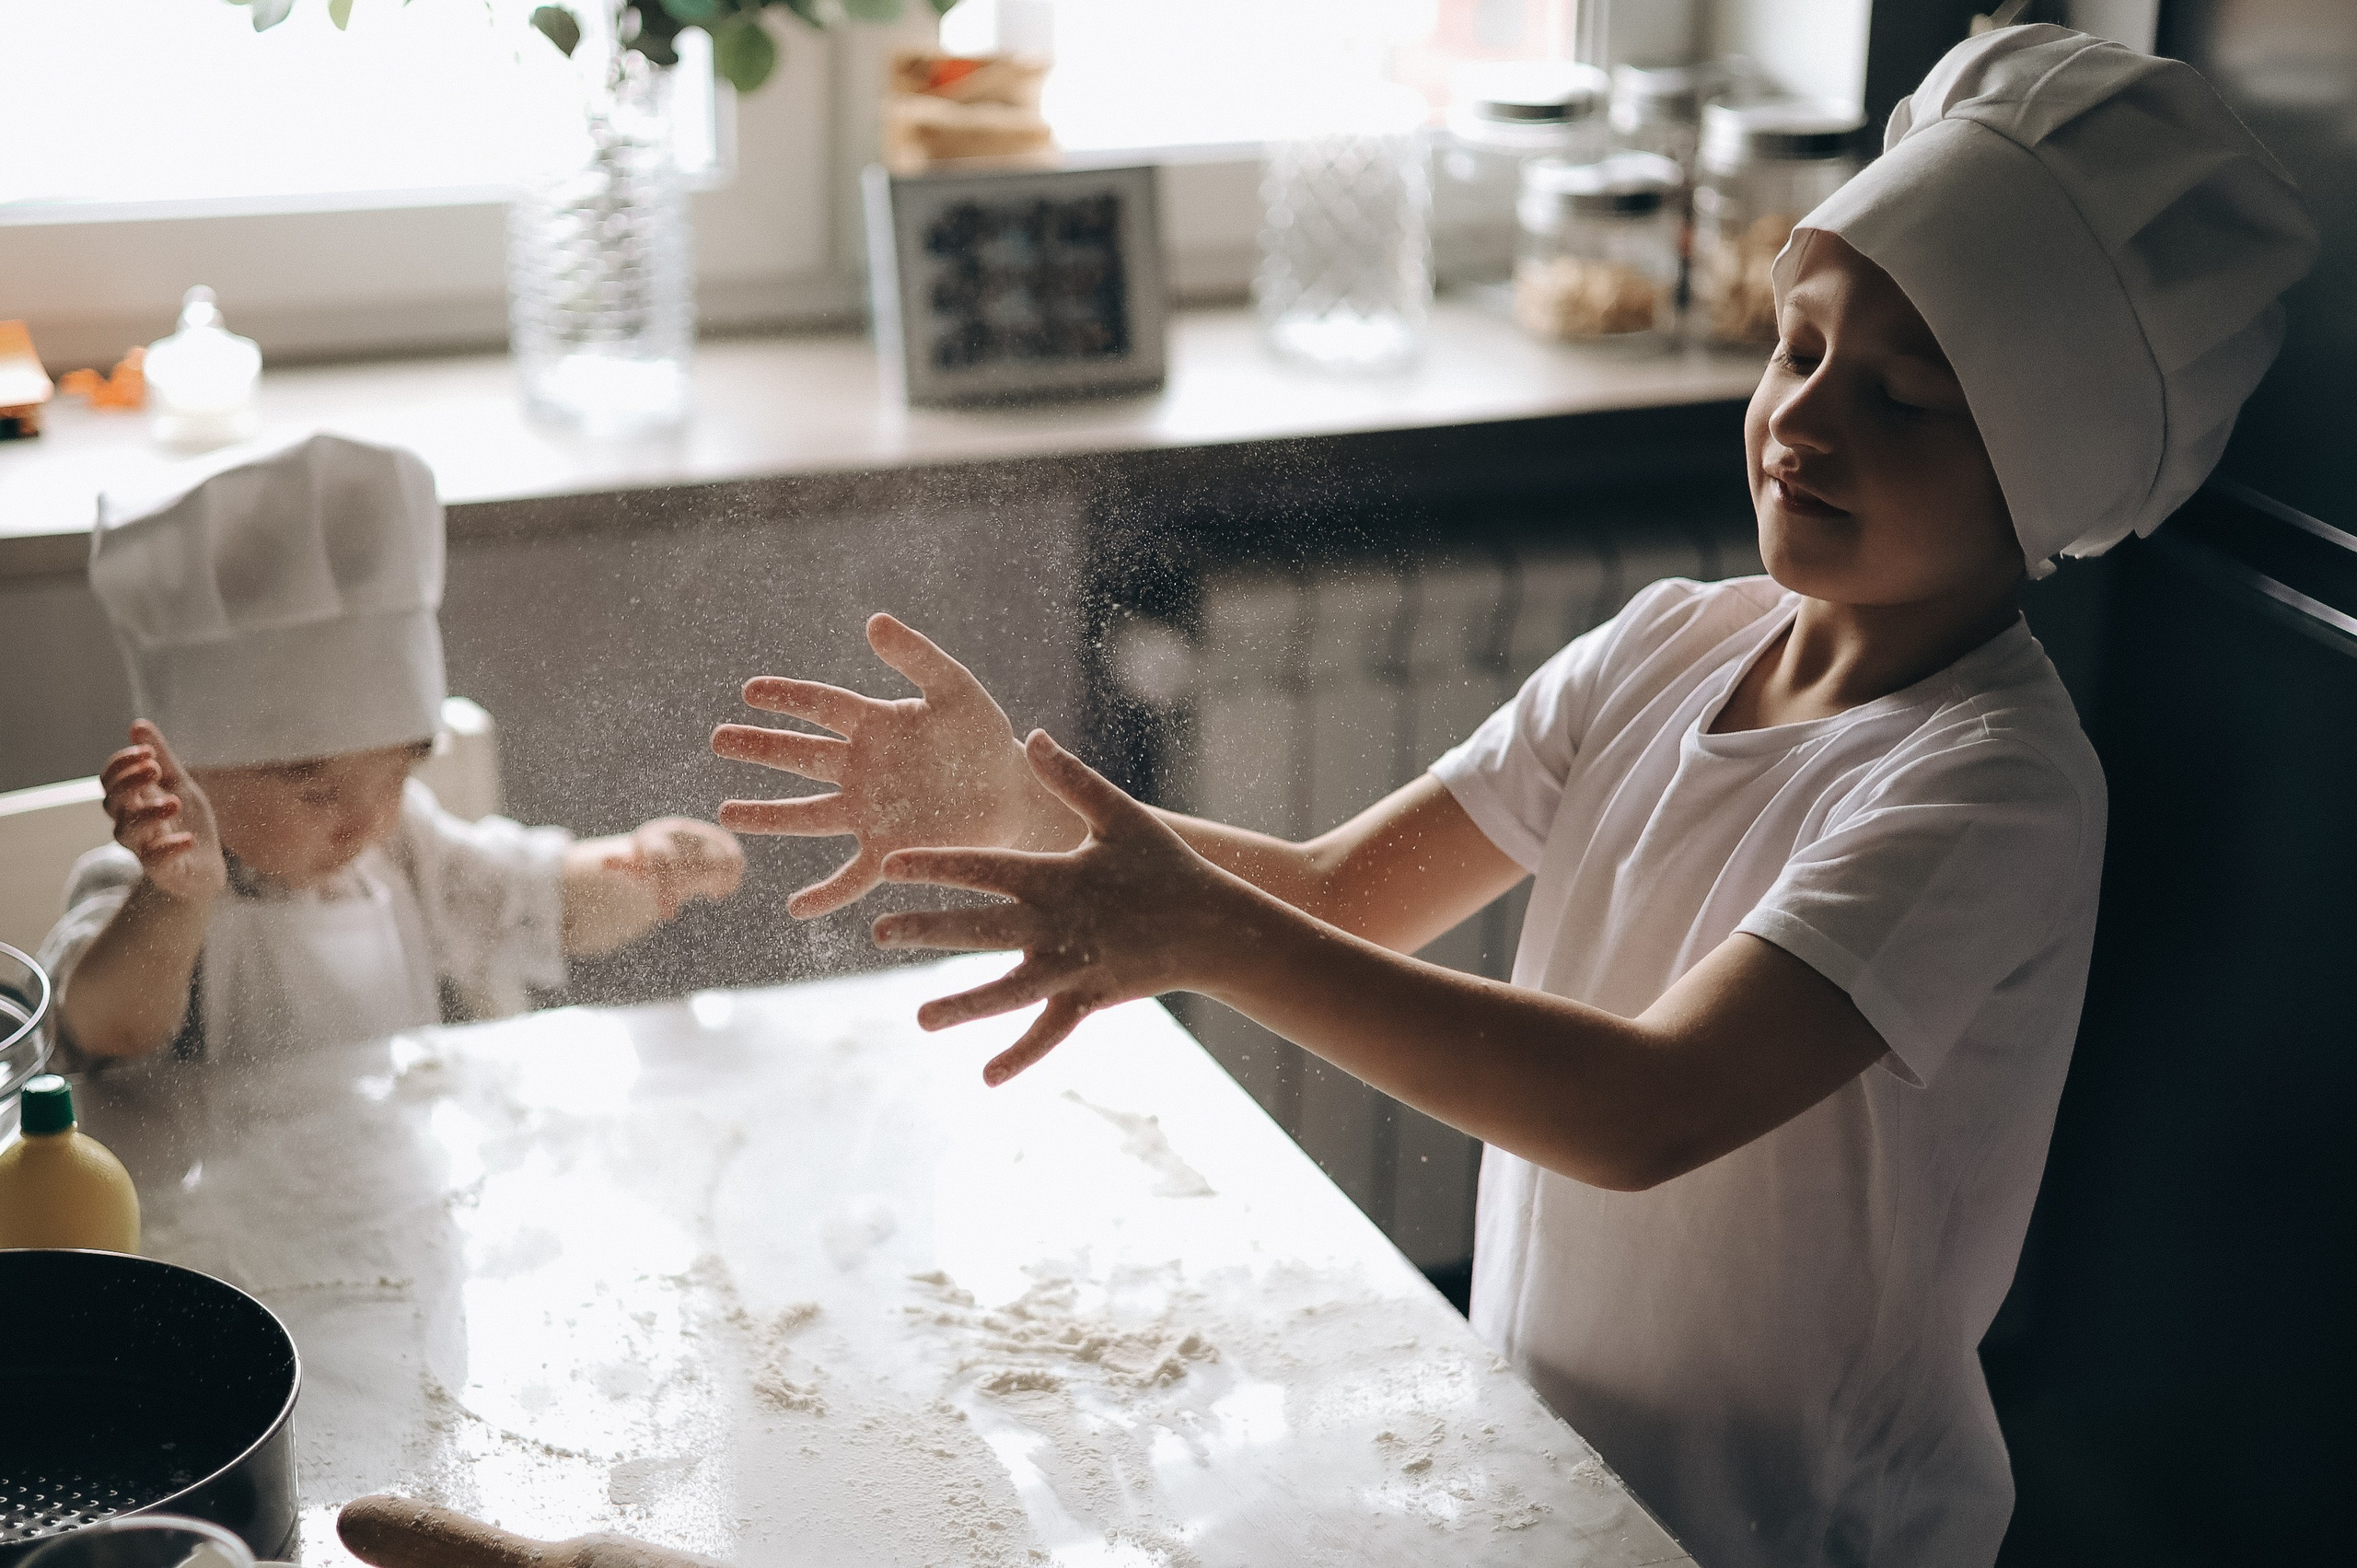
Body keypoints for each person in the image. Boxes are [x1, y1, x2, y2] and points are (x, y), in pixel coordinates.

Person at [710, 28, 2316, 1568]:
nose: (1805, 415)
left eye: (1902, 397)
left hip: (1794, 1522)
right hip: (1555, 1454)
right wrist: (1010, 801)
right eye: (1798, 343)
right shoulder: (1671, 642)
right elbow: (1343, 889)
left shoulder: (1993, 788)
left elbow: (1644, 1110)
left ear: (2043, 468)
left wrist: (1198, 937)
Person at [41, 432, 744, 1068]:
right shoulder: (145, 886)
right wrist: (174, 899)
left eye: (397, 776)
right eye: (315, 791)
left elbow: (541, 902)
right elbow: (109, 1030)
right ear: (183, 765)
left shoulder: (405, 851)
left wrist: (647, 868)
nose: (363, 821)